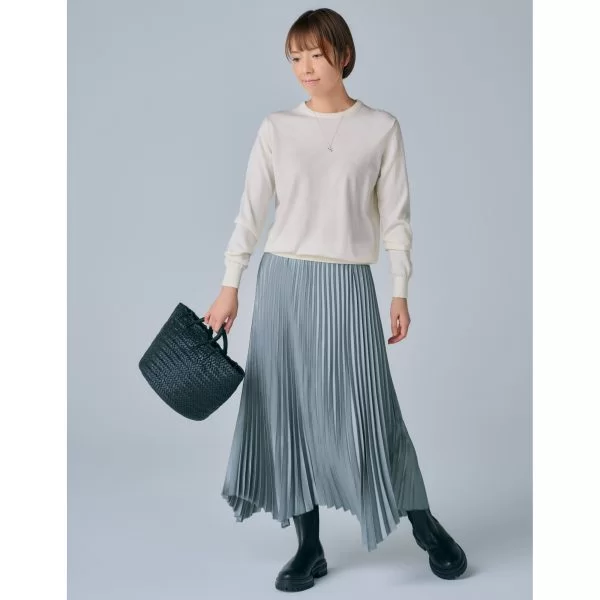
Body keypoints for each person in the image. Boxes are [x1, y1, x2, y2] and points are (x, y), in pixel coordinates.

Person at [203, 7, 467, 593]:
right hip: (283, 284)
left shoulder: (381, 128)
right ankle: (309, 547)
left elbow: (396, 219)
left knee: (371, 412)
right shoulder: (277, 128)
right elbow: (251, 213)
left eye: (315, 55)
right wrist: (230, 284)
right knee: (288, 411)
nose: (304, 67)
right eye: (294, 57)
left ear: (343, 55)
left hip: (348, 285)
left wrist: (400, 290)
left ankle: (427, 528)